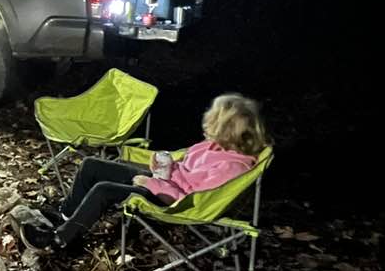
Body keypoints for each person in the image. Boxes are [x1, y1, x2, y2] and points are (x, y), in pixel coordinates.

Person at [20, 93, 271, 251]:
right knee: (92, 165)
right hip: (163, 182)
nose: (206, 126)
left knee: (104, 190)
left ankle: (59, 240)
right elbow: (184, 170)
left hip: (170, 200)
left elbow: (188, 198)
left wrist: (151, 183)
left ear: (228, 132)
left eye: (212, 123)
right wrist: (164, 167)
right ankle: (66, 215)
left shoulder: (231, 167)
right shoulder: (213, 146)